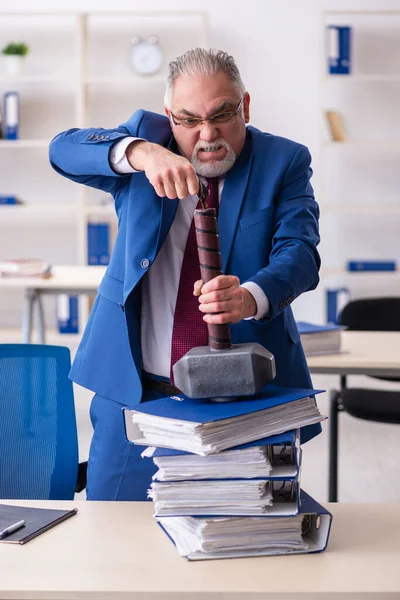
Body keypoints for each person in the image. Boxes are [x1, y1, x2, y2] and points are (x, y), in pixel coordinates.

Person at [49, 48, 321, 501]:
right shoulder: (143, 141)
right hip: (137, 391)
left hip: (249, 396)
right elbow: (63, 149)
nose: (207, 134)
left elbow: (300, 253)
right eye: (188, 120)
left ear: (246, 106)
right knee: (112, 540)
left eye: (222, 115)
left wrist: (252, 296)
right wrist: (139, 152)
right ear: (168, 115)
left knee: (240, 540)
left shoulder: (284, 161)